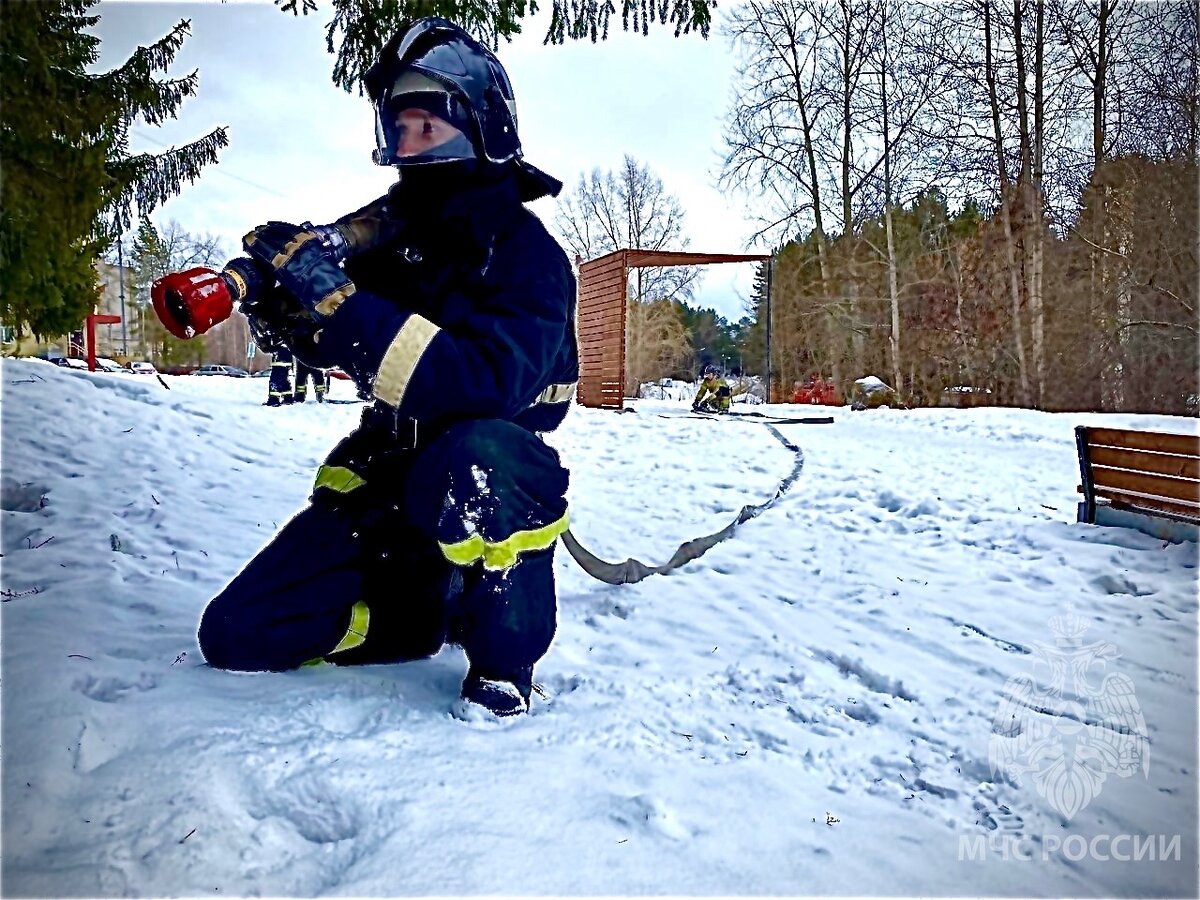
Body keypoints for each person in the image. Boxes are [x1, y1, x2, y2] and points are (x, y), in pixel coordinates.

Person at [197, 17, 578, 718]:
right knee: (237, 632)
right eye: (397, 128)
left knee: (478, 456)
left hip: (481, 472)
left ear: (480, 130)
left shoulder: (529, 257)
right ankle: (415, 620)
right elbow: (351, 339)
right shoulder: (400, 241)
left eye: (423, 129)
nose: (404, 147)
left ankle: (502, 656)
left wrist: (340, 308)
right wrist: (288, 308)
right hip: (392, 476)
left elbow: (482, 384)